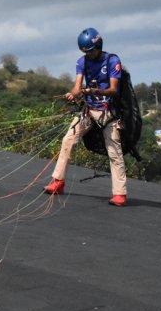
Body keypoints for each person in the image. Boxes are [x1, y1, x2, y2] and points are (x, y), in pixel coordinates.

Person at [43, 28, 127, 206]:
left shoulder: (112, 60)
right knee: (68, 140)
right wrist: (72, 94)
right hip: (89, 110)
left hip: (108, 112)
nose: (88, 54)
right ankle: (58, 181)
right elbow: (77, 86)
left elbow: (113, 89)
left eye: (90, 51)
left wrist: (94, 91)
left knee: (114, 152)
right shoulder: (82, 62)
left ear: (98, 46)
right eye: (84, 51)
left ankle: (120, 193)